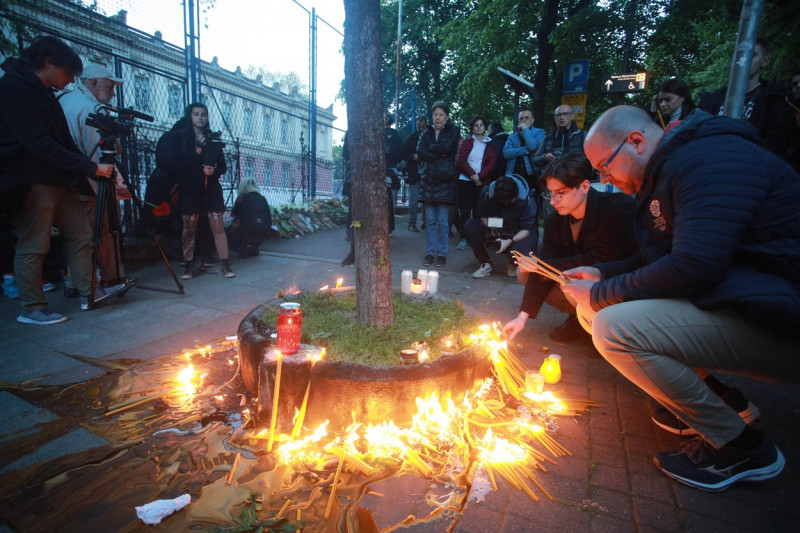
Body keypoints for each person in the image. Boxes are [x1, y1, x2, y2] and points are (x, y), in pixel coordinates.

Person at [562, 105, 800, 492]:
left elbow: (694, 265)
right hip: (749, 301)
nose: (604, 179)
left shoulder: (706, 161)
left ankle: (741, 447)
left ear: (636, 142)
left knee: (612, 325)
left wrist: (602, 292)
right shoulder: (668, 169)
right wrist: (604, 274)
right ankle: (717, 404)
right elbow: (666, 255)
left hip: (782, 320)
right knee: (594, 308)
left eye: (604, 168)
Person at [0, 37, 118, 324]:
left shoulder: (46, 93)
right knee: (34, 242)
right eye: (67, 74)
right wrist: (90, 169)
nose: (69, 82)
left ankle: (88, 292)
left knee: (80, 236)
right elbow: (38, 144)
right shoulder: (14, 89)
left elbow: (62, 141)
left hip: (61, 178)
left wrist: (83, 170)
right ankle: (33, 308)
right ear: (49, 63)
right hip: (32, 177)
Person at [503, 153, 636, 342]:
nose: (552, 201)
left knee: (570, 277)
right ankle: (578, 320)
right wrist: (522, 317)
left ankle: (606, 330)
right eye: (550, 193)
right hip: (582, 286)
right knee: (525, 272)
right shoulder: (554, 222)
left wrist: (543, 265)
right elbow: (548, 261)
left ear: (584, 186)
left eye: (561, 193)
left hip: (619, 286)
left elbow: (603, 259)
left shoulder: (618, 209)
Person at [59, 63, 130, 292]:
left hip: (67, 179)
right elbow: (98, 155)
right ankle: (109, 280)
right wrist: (115, 190)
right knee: (102, 230)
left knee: (78, 236)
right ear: (92, 83)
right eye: (109, 87)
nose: (112, 93)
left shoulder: (65, 101)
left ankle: (78, 281)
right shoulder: (91, 109)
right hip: (90, 182)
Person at [156, 103, 235, 279]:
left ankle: (225, 264)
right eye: (196, 114)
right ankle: (188, 265)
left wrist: (214, 171)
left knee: (217, 223)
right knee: (190, 226)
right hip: (190, 188)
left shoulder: (212, 138)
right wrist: (197, 152)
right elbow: (179, 164)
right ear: (190, 116)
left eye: (204, 114)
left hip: (211, 186)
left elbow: (222, 165)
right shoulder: (180, 137)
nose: (200, 118)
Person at [698, 38, 794, 157]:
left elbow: (777, 142)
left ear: (765, 61)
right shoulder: (711, 100)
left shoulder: (776, 99)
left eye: (751, 55)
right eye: (738, 55)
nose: (743, 59)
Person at [464, 175, 536, 279]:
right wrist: (494, 229)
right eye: (502, 203)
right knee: (470, 225)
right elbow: (483, 217)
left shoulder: (526, 199)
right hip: (495, 227)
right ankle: (485, 263)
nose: (505, 204)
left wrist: (510, 240)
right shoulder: (486, 193)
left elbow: (526, 229)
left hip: (516, 232)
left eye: (509, 202)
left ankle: (513, 262)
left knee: (528, 242)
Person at [417, 101, 460, 267]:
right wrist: (438, 152)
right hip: (428, 180)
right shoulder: (426, 132)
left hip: (445, 180)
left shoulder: (453, 130)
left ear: (447, 116)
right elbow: (420, 152)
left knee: (442, 221)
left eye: (441, 114)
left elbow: (449, 148)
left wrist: (431, 150)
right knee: (429, 221)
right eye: (435, 114)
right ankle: (429, 253)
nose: (438, 117)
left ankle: (442, 253)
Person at [455, 115, 497, 251]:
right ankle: (463, 237)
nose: (479, 127)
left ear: (485, 128)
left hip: (482, 182)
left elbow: (491, 163)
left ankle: (478, 237)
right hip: (466, 180)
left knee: (480, 211)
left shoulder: (490, 144)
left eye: (481, 125)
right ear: (472, 128)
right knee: (465, 210)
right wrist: (472, 175)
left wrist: (480, 177)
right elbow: (461, 160)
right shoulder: (466, 143)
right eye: (476, 125)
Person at [531, 104, 585, 176]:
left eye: (565, 114)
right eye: (558, 115)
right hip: (553, 180)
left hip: (575, 179)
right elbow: (534, 160)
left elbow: (592, 159)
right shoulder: (548, 138)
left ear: (572, 116)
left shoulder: (582, 136)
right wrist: (545, 157)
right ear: (555, 118)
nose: (562, 117)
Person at [502, 107, 545, 192]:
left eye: (527, 118)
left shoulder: (540, 133)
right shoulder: (512, 136)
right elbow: (506, 153)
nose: (524, 120)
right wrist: (526, 150)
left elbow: (533, 147)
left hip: (531, 175)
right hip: (512, 174)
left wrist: (525, 129)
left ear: (532, 120)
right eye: (521, 118)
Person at [227, 178, 271, 257]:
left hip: (246, 232)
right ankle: (253, 247)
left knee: (225, 235)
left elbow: (234, 214)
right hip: (262, 233)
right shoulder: (262, 198)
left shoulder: (241, 198)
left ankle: (245, 247)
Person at [403, 117, 427, 232]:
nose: (421, 129)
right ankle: (412, 223)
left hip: (427, 173)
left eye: (423, 126)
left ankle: (425, 222)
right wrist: (413, 157)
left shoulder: (429, 137)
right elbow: (404, 154)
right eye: (419, 126)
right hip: (414, 173)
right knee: (414, 200)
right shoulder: (411, 138)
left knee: (426, 200)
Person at [384, 112, 404, 234]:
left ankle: (389, 227)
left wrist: (391, 160)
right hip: (385, 168)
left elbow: (400, 152)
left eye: (385, 116)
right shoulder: (375, 132)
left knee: (389, 199)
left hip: (389, 169)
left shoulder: (394, 134)